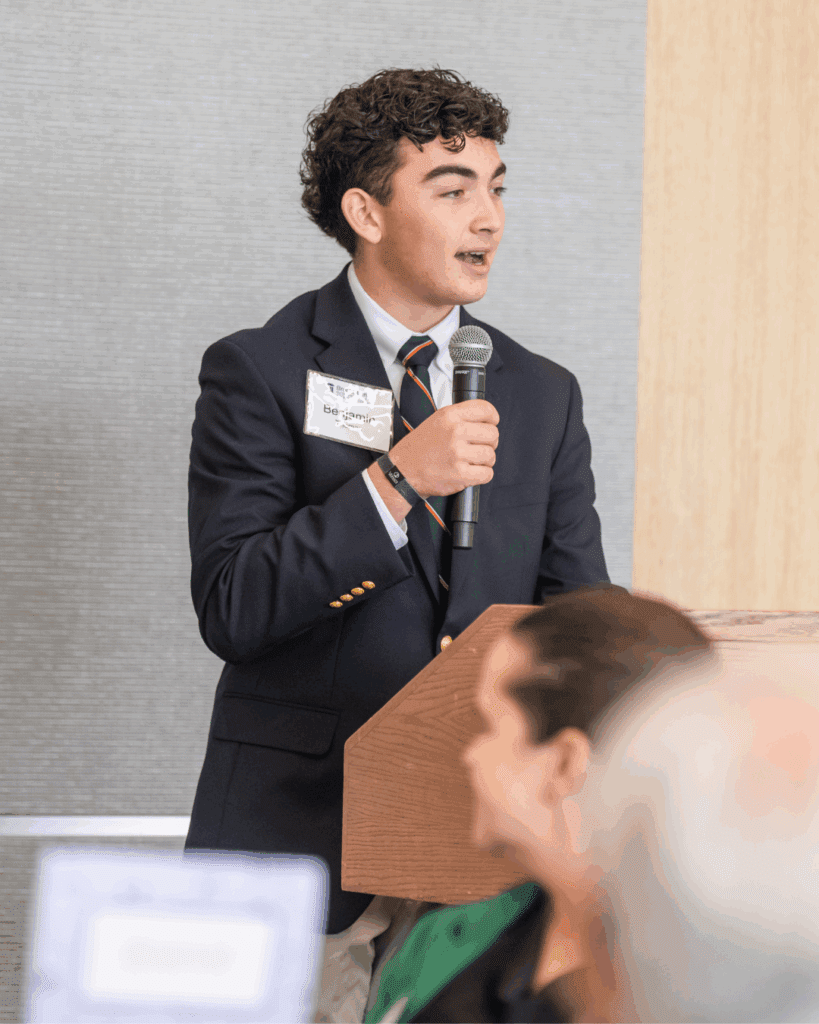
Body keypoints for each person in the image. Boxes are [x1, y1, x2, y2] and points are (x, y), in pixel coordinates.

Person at [185, 66, 613, 963]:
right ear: (366, 213)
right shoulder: (259, 370)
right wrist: (393, 484)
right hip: (303, 833)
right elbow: (235, 606)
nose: (488, 219)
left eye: (495, 190)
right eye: (452, 190)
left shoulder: (542, 395)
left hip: (479, 847)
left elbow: (575, 616)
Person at [365, 585, 715, 1022]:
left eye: (491, 726)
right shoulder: (443, 940)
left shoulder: (723, 988)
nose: (470, 755)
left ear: (566, 763)